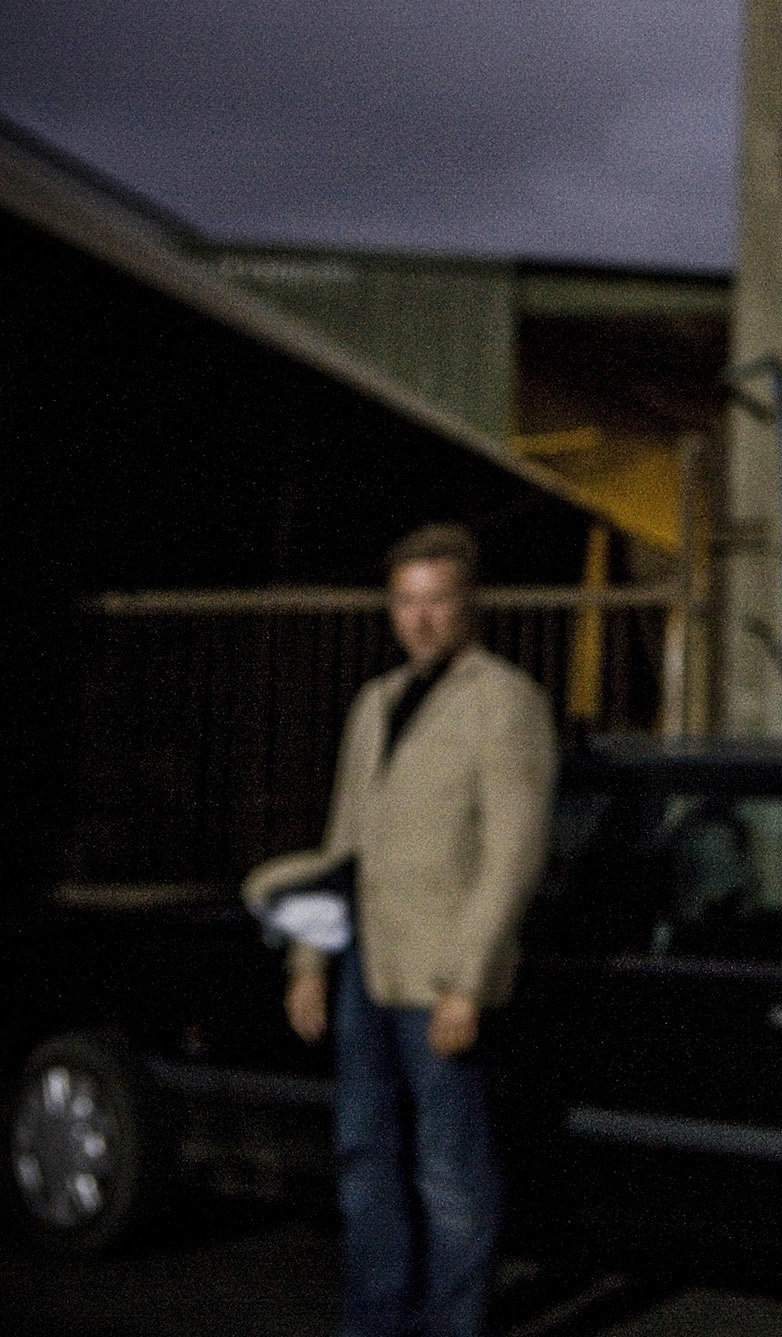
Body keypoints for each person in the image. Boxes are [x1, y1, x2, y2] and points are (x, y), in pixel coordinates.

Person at [246, 523, 557, 1337]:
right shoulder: (376, 702)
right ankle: (376, 1320)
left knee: (450, 1172)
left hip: (439, 979)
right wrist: (309, 956)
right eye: (406, 601)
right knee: (364, 1157)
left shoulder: (504, 701)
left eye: (438, 601)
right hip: (366, 968)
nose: (420, 619)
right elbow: (343, 846)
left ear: (468, 605)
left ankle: (453, 1323)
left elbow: (513, 853)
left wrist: (469, 978)